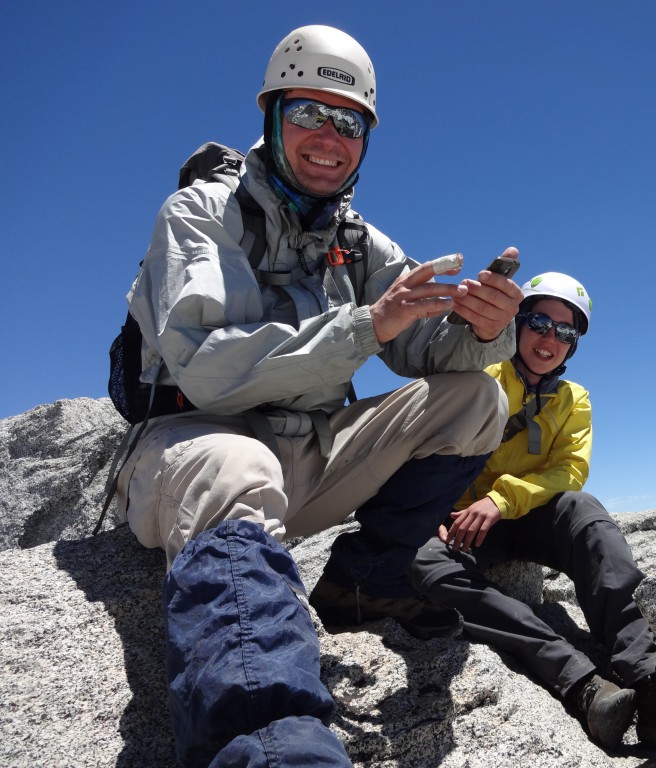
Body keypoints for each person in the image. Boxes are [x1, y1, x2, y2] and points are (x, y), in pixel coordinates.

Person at [115, 25, 522, 768]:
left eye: (350, 122)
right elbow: (204, 366)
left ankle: (359, 589)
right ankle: (273, 744)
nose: (329, 137)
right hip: (190, 455)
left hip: (302, 458)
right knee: (240, 468)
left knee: (476, 399)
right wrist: (364, 325)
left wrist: (485, 333)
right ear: (272, 115)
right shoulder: (200, 214)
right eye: (309, 111)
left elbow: (423, 351)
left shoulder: (360, 242)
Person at [408, 273, 656, 764]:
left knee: (584, 512)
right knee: (423, 562)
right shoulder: (479, 374)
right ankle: (582, 684)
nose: (550, 339)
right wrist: (432, 509)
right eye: (541, 323)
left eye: (566, 332)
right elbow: (426, 446)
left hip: (518, 515)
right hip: (457, 520)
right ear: (518, 323)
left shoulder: (573, 400)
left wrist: (502, 500)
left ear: (573, 345)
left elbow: (570, 471)